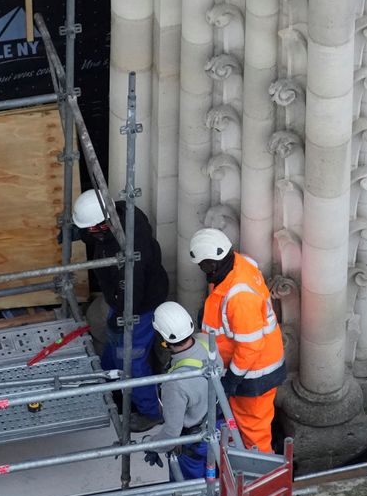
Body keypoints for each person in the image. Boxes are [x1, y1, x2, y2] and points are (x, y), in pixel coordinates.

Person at [65, 188, 171, 428]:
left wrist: (124, 316)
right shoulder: (119, 213)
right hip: (121, 298)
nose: (89, 234)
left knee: (131, 357)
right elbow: (97, 235)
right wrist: (80, 233)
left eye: (90, 229)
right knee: (114, 342)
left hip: (139, 306)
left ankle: (151, 412)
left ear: (103, 225)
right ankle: (109, 383)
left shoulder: (131, 249)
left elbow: (133, 288)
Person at [188, 227, 284, 452]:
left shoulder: (239, 296)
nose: (202, 271)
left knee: (255, 436)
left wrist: (232, 379)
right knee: (245, 426)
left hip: (253, 374)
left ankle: (264, 481)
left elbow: (250, 345)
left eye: (203, 265)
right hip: (250, 368)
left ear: (212, 263)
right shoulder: (238, 266)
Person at [144, 301, 219, 479]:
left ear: (163, 339)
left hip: (191, 443)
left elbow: (172, 433)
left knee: (190, 495)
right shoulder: (207, 342)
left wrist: (150, 445)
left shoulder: (175, 383)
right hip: (215, 430)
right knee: (213, 484)